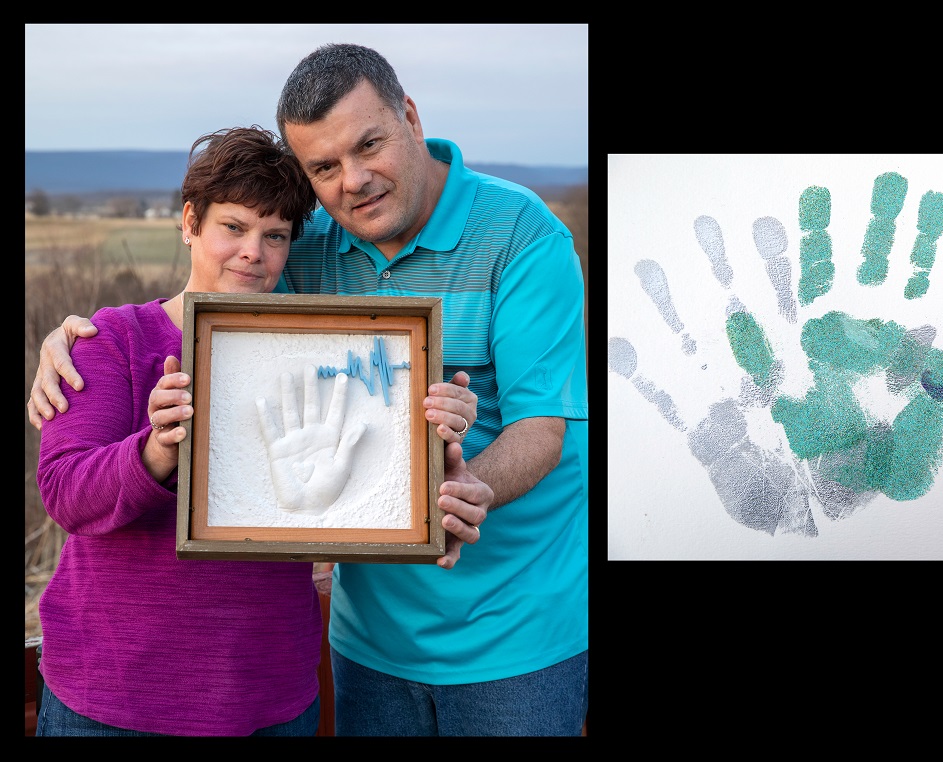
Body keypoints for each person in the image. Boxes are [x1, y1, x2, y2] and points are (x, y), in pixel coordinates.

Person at [29, 43, 588, 736]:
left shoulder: (523, 234)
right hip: (368, 641)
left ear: (410, 117)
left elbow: (544, 427)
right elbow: (211, 307)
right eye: (324, 167)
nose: (353, 181)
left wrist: (461, 490)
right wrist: (78, 338)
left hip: (514, 638)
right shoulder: (313, 241)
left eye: (369, 145)